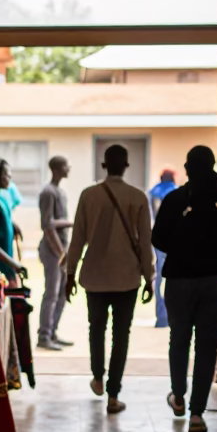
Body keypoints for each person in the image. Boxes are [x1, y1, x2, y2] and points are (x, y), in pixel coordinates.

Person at [152, 144, 217, 432]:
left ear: (189, 168)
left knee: (178, 339)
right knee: (207, 348)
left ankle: (178, 396)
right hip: (216, 282)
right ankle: (196, 414)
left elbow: (159, 239)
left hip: (179, 280)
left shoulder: (174, 199)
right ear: (214, 166)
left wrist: (183, 250)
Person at [65, 144, 155, 414]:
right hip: (127, 277)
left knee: (96, 329)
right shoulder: (138, 197)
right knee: (121, 336)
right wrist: (148, 278)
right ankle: (114, 395)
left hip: (95, 277)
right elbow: (145, 242)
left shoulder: (89, 195)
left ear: (104, 166)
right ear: (126, 166)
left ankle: (97, 376)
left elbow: (77, 239)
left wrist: (70, 274)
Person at [37, 155, 74, 351]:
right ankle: (44, 336)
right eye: (67, 165)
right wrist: (61, 253)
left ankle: (52, 332)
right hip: (52, 250)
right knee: (51, 293)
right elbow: (47, 225)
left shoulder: (60, 191)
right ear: (59, 168)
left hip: (62, 249)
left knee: (61, 293)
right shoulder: (48, 192)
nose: (70, 168)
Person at [148, 166, 178, 327]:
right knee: (173, 277)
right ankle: (171, 315)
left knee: (159, 278)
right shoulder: (177, 192)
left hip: (158, 239)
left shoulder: (153, 192)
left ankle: (161, 317)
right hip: (175, 239)